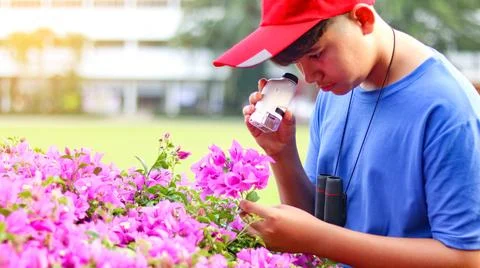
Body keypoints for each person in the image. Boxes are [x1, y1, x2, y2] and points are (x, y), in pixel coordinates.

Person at [212, 0, 480, 267]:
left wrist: (317, 238)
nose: (309, 76)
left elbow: (466, 257)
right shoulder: (337, 90)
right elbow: (319, 220)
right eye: (297, 62)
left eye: (316, 54)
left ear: (362, 19)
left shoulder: (448, 108)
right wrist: (282, 154)